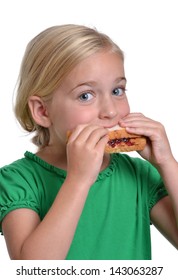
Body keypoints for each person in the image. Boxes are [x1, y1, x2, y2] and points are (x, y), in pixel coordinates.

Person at [0, 24, 178, 260]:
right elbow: (33, 269)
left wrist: (167, 163)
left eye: (117, 90)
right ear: (42, 111)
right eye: (86, 95)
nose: (110, 111)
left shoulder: (138, 174)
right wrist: (79, 179)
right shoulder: (17, 182)